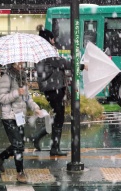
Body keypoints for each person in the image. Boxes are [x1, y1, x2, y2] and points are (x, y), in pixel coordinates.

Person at [33, 25, 86, 156]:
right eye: (52, 39)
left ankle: (42, 139)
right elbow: (63, 63)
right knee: (59, 117)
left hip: (52, 88)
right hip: (54, 88)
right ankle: (53, 147)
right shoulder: (48, 52)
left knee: (58, 116)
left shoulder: (41, 52)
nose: (54, 41)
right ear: (49, 39)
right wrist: (81, 65)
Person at [0, 62, 42, 183]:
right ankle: (20, 173)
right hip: (9, 115)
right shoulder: (6, 78)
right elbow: (3, 99)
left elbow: (27, 98)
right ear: (12, 63)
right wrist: (16, 93)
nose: (21, 64)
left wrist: (35, 108)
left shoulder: (21, 76)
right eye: (18, 62)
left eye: (22, 61)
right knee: (18, 144)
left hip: (20, 115)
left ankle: (0, 157)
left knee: (19, 144)